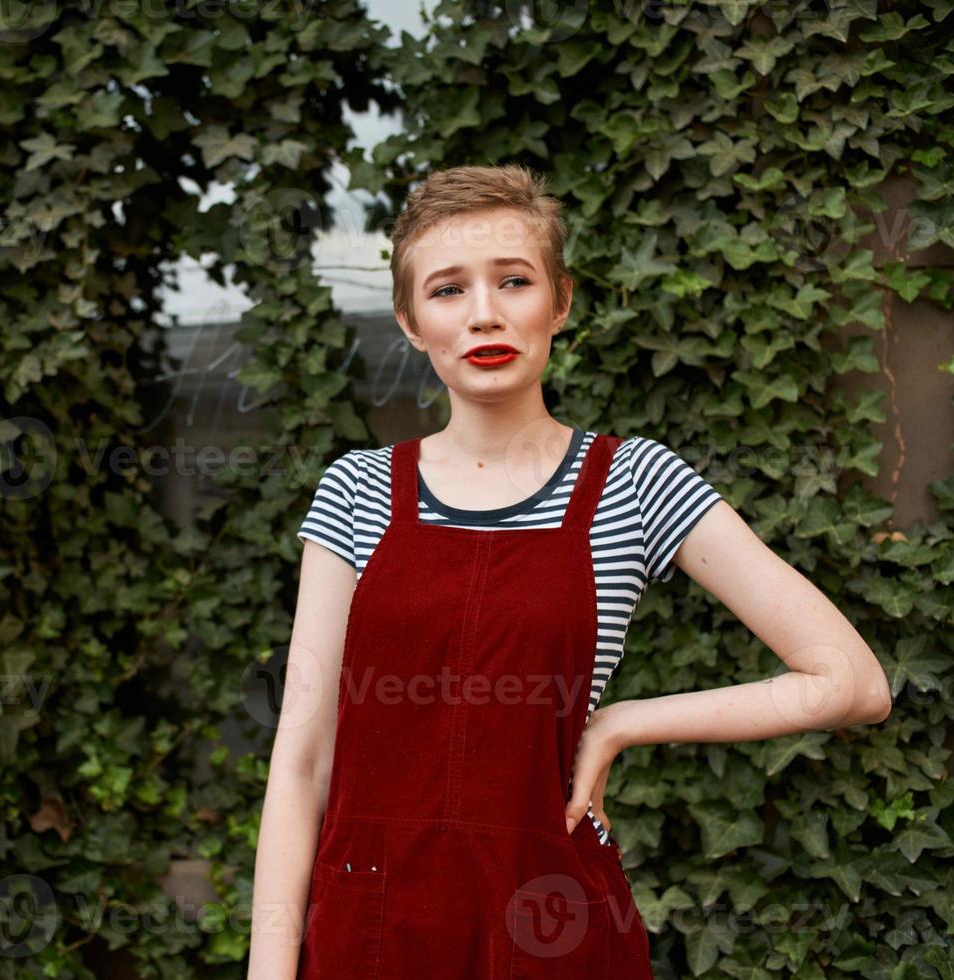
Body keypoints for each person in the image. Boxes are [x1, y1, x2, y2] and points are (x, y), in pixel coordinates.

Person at [247, 164, 892, 979]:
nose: (484, 312)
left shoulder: (637, 483)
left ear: (559, 301)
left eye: (513, 281)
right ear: (411, 322)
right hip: (370, 929)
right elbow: (304, 761)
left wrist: (623, 722)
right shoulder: (357, 491)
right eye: (447, 290)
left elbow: (852, 681)